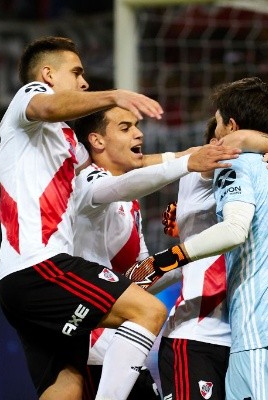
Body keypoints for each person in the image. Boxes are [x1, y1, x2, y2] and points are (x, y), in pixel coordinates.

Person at [0, 36, 239, 400]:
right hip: (41, 268)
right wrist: (114, 96)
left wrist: (186, 248)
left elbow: (138, 266)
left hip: (26, 284)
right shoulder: (30, 101)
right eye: (76, 73)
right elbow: (113, 182)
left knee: (67, 386)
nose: (83, 82)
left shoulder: (69, 147)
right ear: (47, 75)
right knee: (147, 311)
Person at [129, 77, 268, 399]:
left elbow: (232, 230)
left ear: (229, 126)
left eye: (218, 126)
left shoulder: (243, 165)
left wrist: (166, 259)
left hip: (258, 330)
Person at [72, 107, 240, 399]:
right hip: (87, 341)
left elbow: (138, 278)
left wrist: (192, 245)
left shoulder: (130, 203)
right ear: (97, 141)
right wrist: (186, 162)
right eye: (125, 128)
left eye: (136, 126)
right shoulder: (84, 182)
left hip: (119, 342)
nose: (139, 133)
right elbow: (123, 185)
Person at [152, 117, 268, 400]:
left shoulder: (257, 185)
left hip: (244, 342)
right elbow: (238, 142)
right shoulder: (200, 170)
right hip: (196, 337)